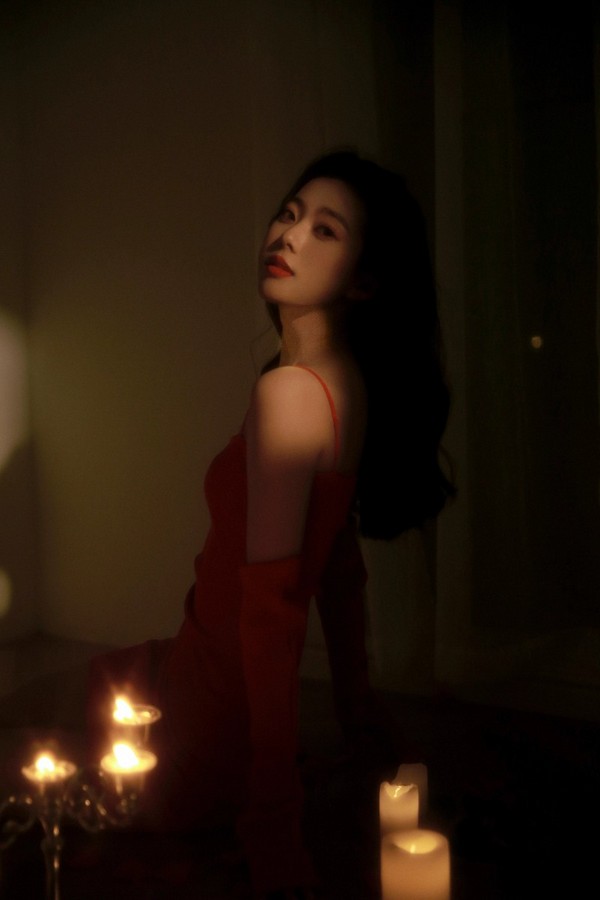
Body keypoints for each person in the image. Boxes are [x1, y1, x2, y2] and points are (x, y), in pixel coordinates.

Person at [86, 149, 454, 899]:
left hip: (215, 708)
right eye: (288, 214)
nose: (287, 235)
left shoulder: (292, 394)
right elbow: (340, 570)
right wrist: (357, 711)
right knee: (105, 678)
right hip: (207, 671)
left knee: (60, 724)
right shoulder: (343, 383)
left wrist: (273, 818)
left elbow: (272, 615)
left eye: (324, 230)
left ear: (364, 280)